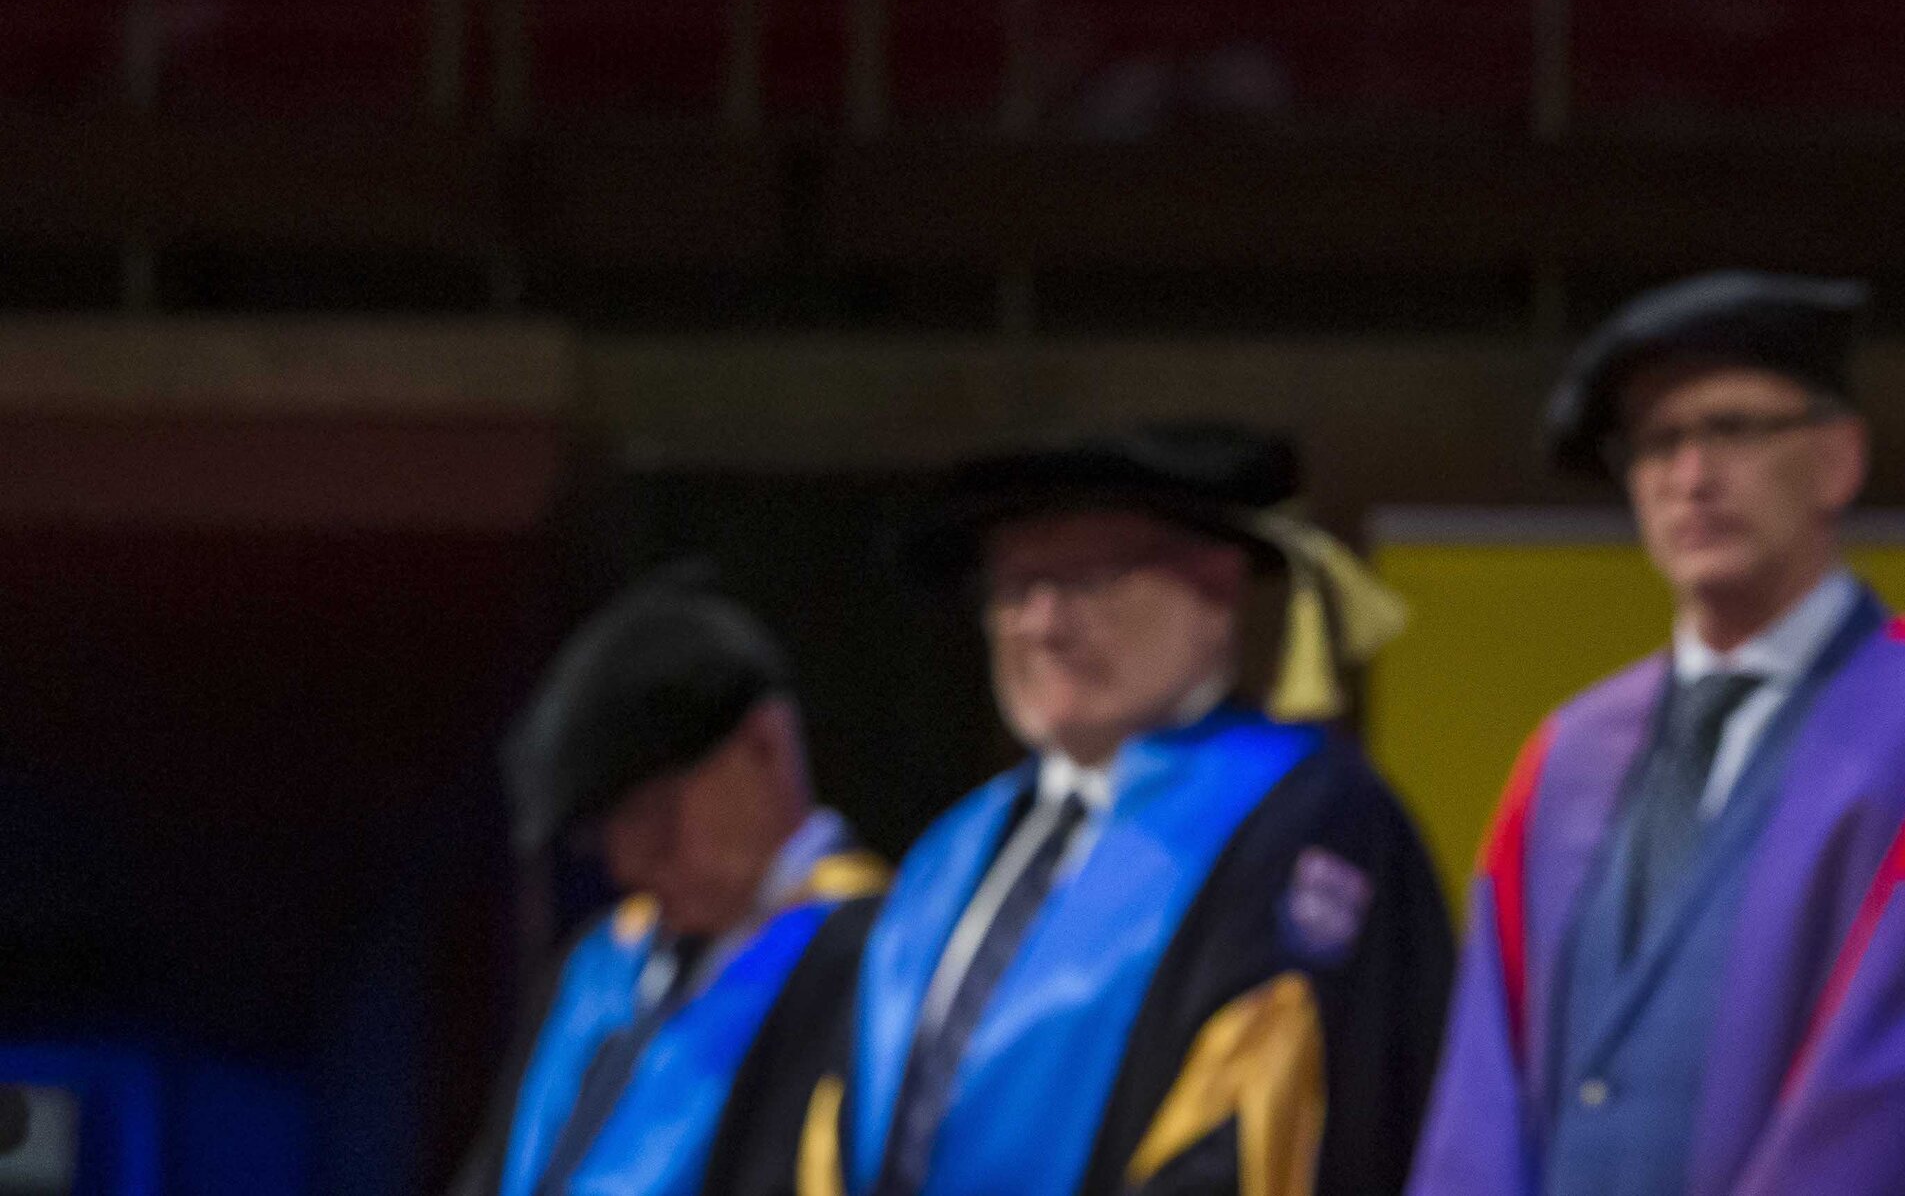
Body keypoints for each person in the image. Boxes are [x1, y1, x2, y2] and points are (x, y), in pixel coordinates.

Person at [1407, 271, 1905, 1196]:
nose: (1691, 477)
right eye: (1658, 442)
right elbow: (1481, 1097)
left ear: (1839, 458)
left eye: (1733, 429)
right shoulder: (1568, 755)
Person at [813, 423, 1454, 1196]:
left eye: (1086, 581)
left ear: (1216, 588)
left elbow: (1261, 1141)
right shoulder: (952, 851)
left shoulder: (1307, 820)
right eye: (1014, 588)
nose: (1042, 625)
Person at [452, 565, 883, 1196]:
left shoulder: (874, 960)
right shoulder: (600, 965)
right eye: (607, 834)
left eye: (655, 815)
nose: (627, 867)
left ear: (764, 746)